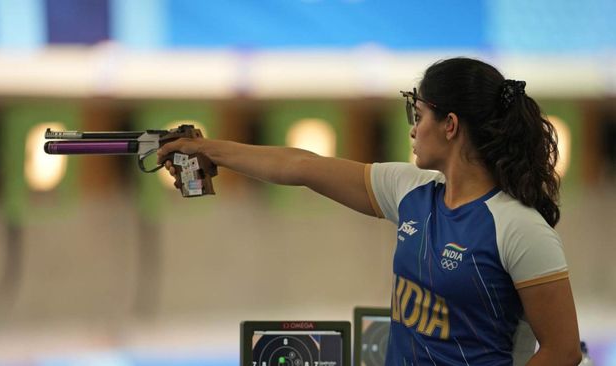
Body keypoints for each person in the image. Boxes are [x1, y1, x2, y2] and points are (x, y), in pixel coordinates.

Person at [158, 57, 581, 366]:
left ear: (450, 125)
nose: (413, 130)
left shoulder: (519, 227)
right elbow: (302, 166)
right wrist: (207, 149)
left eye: (419, 116)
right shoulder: (411, 190)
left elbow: (562, 351)